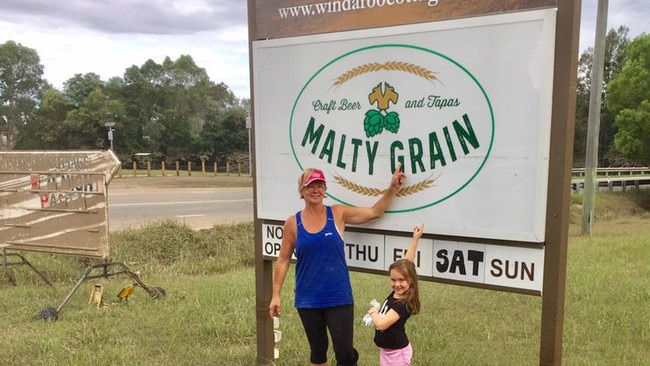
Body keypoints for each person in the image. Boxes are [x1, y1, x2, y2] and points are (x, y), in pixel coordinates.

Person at [269, 164, 407, 366]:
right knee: (317, 352)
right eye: (310, 186)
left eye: (319, 185)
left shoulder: (338, 214)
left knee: (344, 353)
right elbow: (282, 260)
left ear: (325, 189)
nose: (315, 190)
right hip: (308, 299)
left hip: (338, 297)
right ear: (302, 191)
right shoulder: (293, 223)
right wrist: (275, 295)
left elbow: (375, 212)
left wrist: (393, 188)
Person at [366, 224, 424, 366]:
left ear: (411, 281)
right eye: (393, 280)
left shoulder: (402, 305)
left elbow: (382, 324)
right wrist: (415, 240)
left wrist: (374, 312)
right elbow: (407, 263)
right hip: (387, 351)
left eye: (401, 280)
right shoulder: (398, 293)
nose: (397, 284)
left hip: (397, 353)